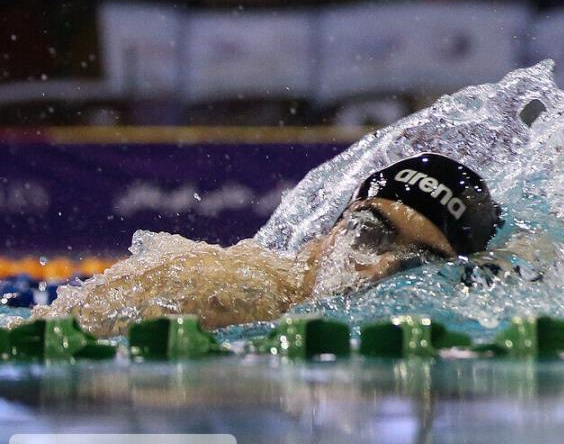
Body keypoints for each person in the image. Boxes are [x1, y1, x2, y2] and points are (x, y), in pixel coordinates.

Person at [31, 152, 537, 337]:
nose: (382, 265)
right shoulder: (234, 287)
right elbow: (50, 332)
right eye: (370, 232)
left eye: (416, 262)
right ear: (331, 231)